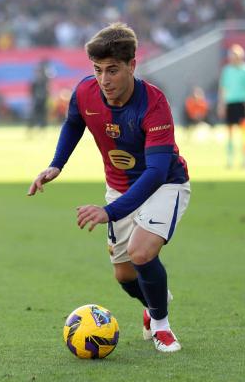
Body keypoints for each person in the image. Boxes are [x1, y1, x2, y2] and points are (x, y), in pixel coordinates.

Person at [28, 22, 190, 353]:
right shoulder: (86, 92)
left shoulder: (154, 104)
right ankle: (153, 303)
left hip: (165, 185)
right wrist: (56, 164)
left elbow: (156, 172)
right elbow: (74, 123)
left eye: (113, 70)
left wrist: (109, 211)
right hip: (118, 187)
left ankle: (161, 327)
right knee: (124, 274)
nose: (104, 80)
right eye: (98, 70)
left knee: (142, 252)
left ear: (132, 65)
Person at [217, 44, 245, 168]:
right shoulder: (227, 70)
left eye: (236, 55)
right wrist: (221, 105)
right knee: (230, 133)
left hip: (242, 104)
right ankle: (229, 160)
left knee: (244, 133)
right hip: (230, 104)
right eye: (232, 55)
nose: (233, 57)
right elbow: (223, 89)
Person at [26, 61, 50, 132]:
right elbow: (31, 91)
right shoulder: (35, 81)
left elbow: (47, 90)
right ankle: (31, 128)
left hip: (43, 100)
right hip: (37, 100)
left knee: (42, 114)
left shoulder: (44, 80)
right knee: (34, 114)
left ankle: (42, 129)